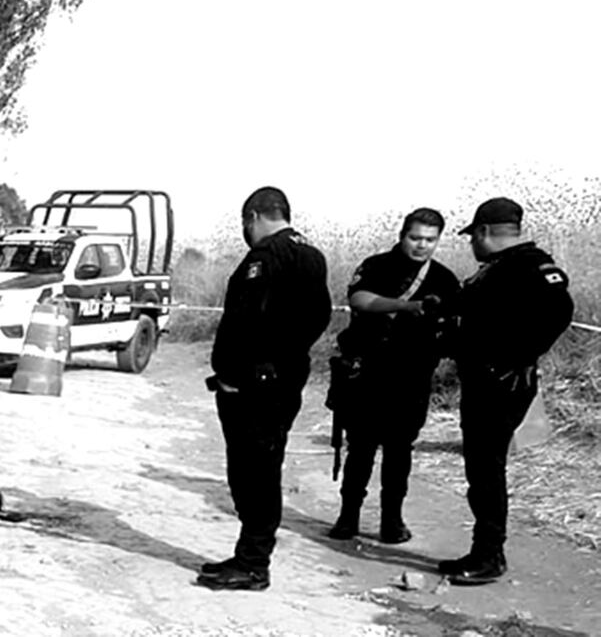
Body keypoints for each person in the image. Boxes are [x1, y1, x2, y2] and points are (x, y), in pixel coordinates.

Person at [197, 186, 332, 591]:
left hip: (254, 386)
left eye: (245, 224)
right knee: (260, 466)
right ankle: (249, 555)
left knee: (253, 471)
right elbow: (320, 316)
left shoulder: (266, 256)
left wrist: (238, 373)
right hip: (284, 379)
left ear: (253, 217)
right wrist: (287, 357)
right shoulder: (312, 255)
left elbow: (245, 322)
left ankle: (254, 563)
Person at [439, 197, 573, 584]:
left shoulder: (528, 266)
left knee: (486, 468)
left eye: (473, 237)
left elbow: (559, 311)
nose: (472, 245)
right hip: (486, 379)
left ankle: (489, 556)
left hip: (500, 383)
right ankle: (484, 550)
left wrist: (518, 357)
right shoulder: (498, 270)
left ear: (483, 232)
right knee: (480, 466)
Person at [326, 208, 461, 544]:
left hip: (412, 374)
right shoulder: (377, 266)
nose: (422, 245)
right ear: (402, 235)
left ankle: (392, 520)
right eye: (415, 237)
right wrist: (409, 307)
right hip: (368, 371)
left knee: (400, 449)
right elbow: (359, 298)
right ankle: (348, 517)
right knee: (360, 446)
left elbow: (454, 322)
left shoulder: (444, 278)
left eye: (430, 239)